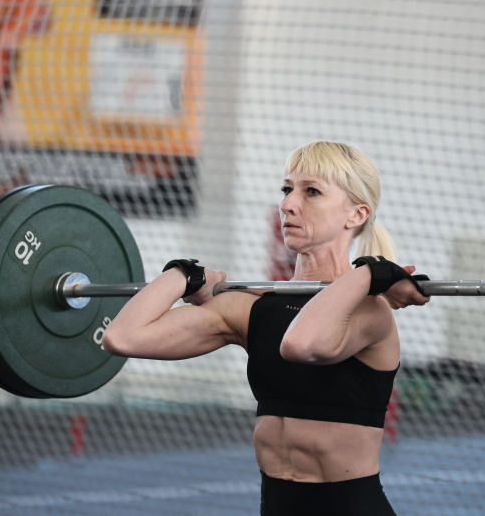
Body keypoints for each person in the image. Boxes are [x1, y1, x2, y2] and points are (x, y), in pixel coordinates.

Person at [103, 141, 430, 515]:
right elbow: (122, 336)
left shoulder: (370, 311)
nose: (288, 204)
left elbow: (300, 344)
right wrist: (183, 275)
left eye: (311, 192)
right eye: (287, 189)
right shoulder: (255, 307)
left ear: (356, 214)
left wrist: (367, 275)